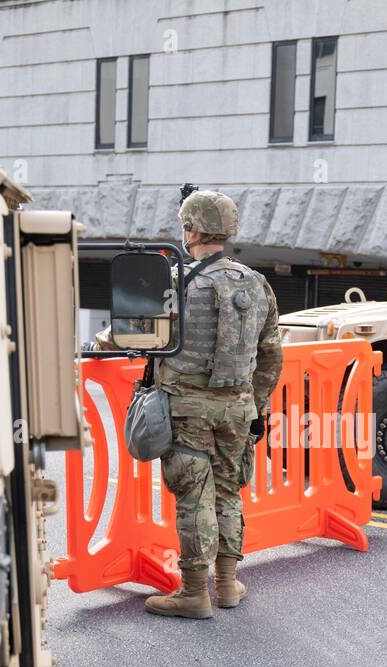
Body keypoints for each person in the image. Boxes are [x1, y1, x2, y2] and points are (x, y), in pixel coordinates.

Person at [144, 190, 283, 619]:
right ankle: (226, 585)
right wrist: (254, 404)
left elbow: (140, 334)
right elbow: (272, 355)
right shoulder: (257, 283)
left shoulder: (176, 281)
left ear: (193, 230)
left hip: (187, 409)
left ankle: (192, 592)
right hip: (238, 410)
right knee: (227, 491)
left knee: (193, 496)